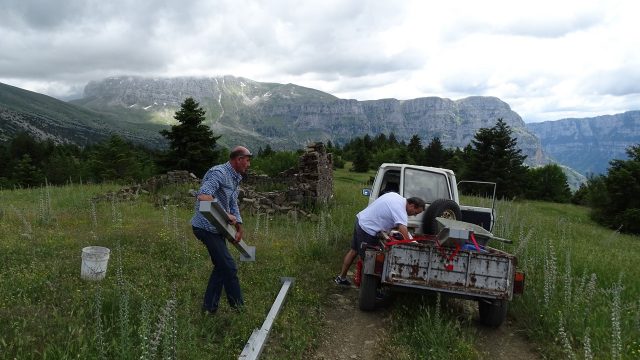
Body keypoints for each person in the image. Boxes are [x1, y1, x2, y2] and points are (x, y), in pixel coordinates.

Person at [191, 146, 252, 314]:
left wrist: (239, 227)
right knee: (229, 267)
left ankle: (208, 309)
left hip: (218, 228)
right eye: (247, 161)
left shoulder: (235, 177)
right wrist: (226, 216)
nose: (249, 164)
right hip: (205, 227)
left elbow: (233, 203)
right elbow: (203, 196)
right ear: (238, 159)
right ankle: (239, 309)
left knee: (221, 266)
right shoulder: (218, 173)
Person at [335, 193, 425, 286]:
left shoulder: (395, 196)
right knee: (370, 261)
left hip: (361, 220)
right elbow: (403, 228)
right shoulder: (400, 210)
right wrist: (412, 245)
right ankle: (367, 289)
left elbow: (386, 215)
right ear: (412, 205)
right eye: (415, 213)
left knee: (354, 251)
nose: (413, 215)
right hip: (368, 229)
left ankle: (341, 278)